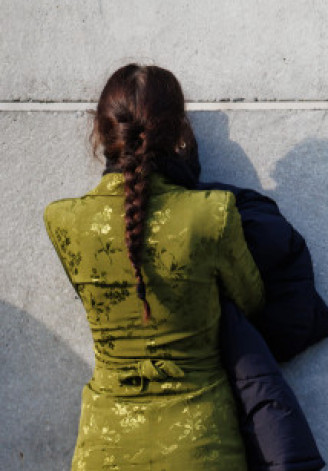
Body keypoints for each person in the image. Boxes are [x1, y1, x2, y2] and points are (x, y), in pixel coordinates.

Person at [44, 64, 264, 470]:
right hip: (201, 446)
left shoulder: (64, 221)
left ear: (100, 133)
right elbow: (251, 299)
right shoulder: (212, 214)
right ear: (180, 133)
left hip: (105, 449)